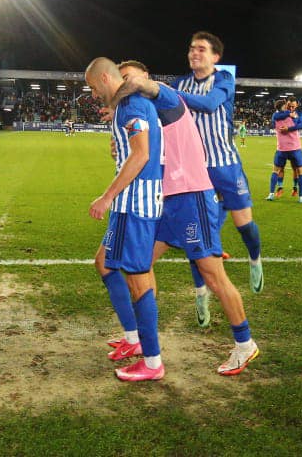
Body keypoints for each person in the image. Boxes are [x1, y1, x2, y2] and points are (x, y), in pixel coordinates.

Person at [114, 60, 259, 375]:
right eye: (119, 77)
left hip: (192, 196)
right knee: (139, 266)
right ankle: (144, 343)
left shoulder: (166, 95)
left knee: (213, 276)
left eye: (127, 76)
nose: (124, 82)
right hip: (169, 202)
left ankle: (245, 344)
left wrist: (120, 90)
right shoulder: (147, 113)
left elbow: (146, 87)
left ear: (145, 76)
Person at [84, 57, 166, 382]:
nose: (92, 95)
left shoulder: (132, 105)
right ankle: (133, 341)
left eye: (93, 87)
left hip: (136, 203)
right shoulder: (126, 107)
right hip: (128, 204)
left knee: (138, 278)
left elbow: (141, 154)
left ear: (105, 78)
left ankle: (153, 361)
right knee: (104, 263)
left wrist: (107, 196)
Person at [267, 99, 302, 201]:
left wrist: (288, 127)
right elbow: (301, 124)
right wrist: (290, 115)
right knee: (301, 171)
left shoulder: (276, 116)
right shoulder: (292, 116)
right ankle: (301, 197)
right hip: (295, 148)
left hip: (282, 148)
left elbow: (275, 118)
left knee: (277, 170)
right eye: (289, 106)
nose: (291, 108)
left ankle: (272, 194)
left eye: (293, 106)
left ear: (297, 105)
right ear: (286, 105)